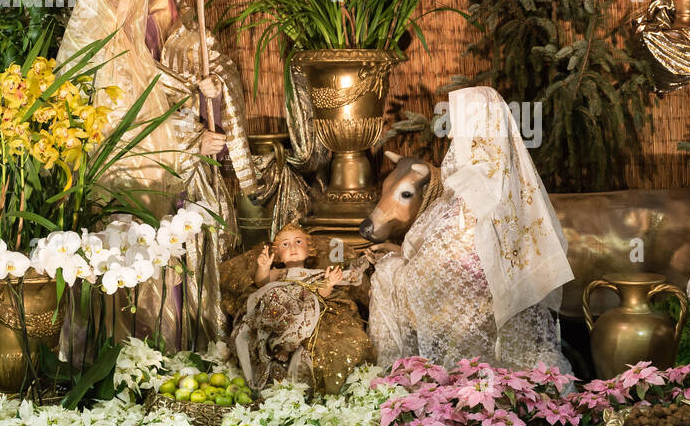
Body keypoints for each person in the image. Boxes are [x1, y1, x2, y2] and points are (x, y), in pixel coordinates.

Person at [57, 0, 256, 351]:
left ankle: (162, 363)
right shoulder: (104, 42)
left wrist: (208, 99)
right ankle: (129, 366)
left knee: (160, 263)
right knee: (128, 271)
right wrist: (188, 149)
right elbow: (123, 128)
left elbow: (163, 102)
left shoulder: (144, 29)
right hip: (128, 185)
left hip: (156, 181)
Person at [367, 86, 574, 371]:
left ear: (477, 128)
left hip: (473, 300)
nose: (451, 135)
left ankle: (400, 375)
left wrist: (398, 266)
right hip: (491, 292)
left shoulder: (473, 187)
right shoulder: (498, 178)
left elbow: (452, 258)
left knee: (385, 275)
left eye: (458, 126)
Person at [226, 223, 373, 394]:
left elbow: (321, 294)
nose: (292, 247)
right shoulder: (279, 274)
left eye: (298, 242)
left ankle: (288, 345)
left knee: (306, 307)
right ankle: (279, 342)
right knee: (272, 296)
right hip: (280, 308)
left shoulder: (316, 273)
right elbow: (261, 283)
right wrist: (263, 267)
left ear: (310, 249)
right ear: (278, 254)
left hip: (306, 305)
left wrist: (329, 283)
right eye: (285, 244)